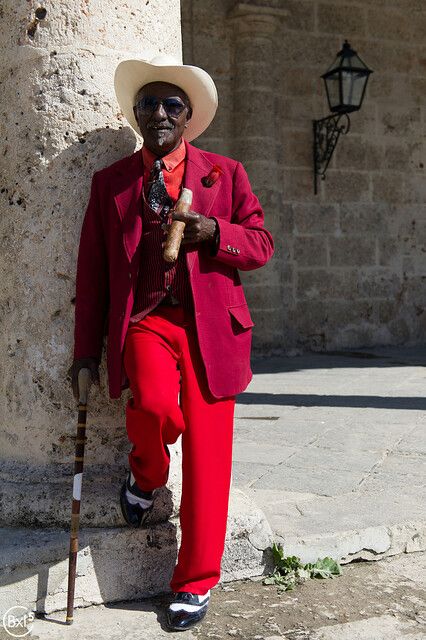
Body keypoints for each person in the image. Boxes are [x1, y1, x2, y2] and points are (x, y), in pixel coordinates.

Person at [70, 54, 274, 632]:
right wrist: (86, 352)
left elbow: (261, 245)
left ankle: (194, 581)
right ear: (135, 114)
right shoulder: (110, 183)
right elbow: (93, 274)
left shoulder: (225, 175)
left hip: (214, 330)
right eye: (148, 104)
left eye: (171, 105)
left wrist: (216, 235)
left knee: (211, 462)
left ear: (187, 118)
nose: (158, 112)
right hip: (147, 322)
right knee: (155, 405)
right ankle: (146, 474)